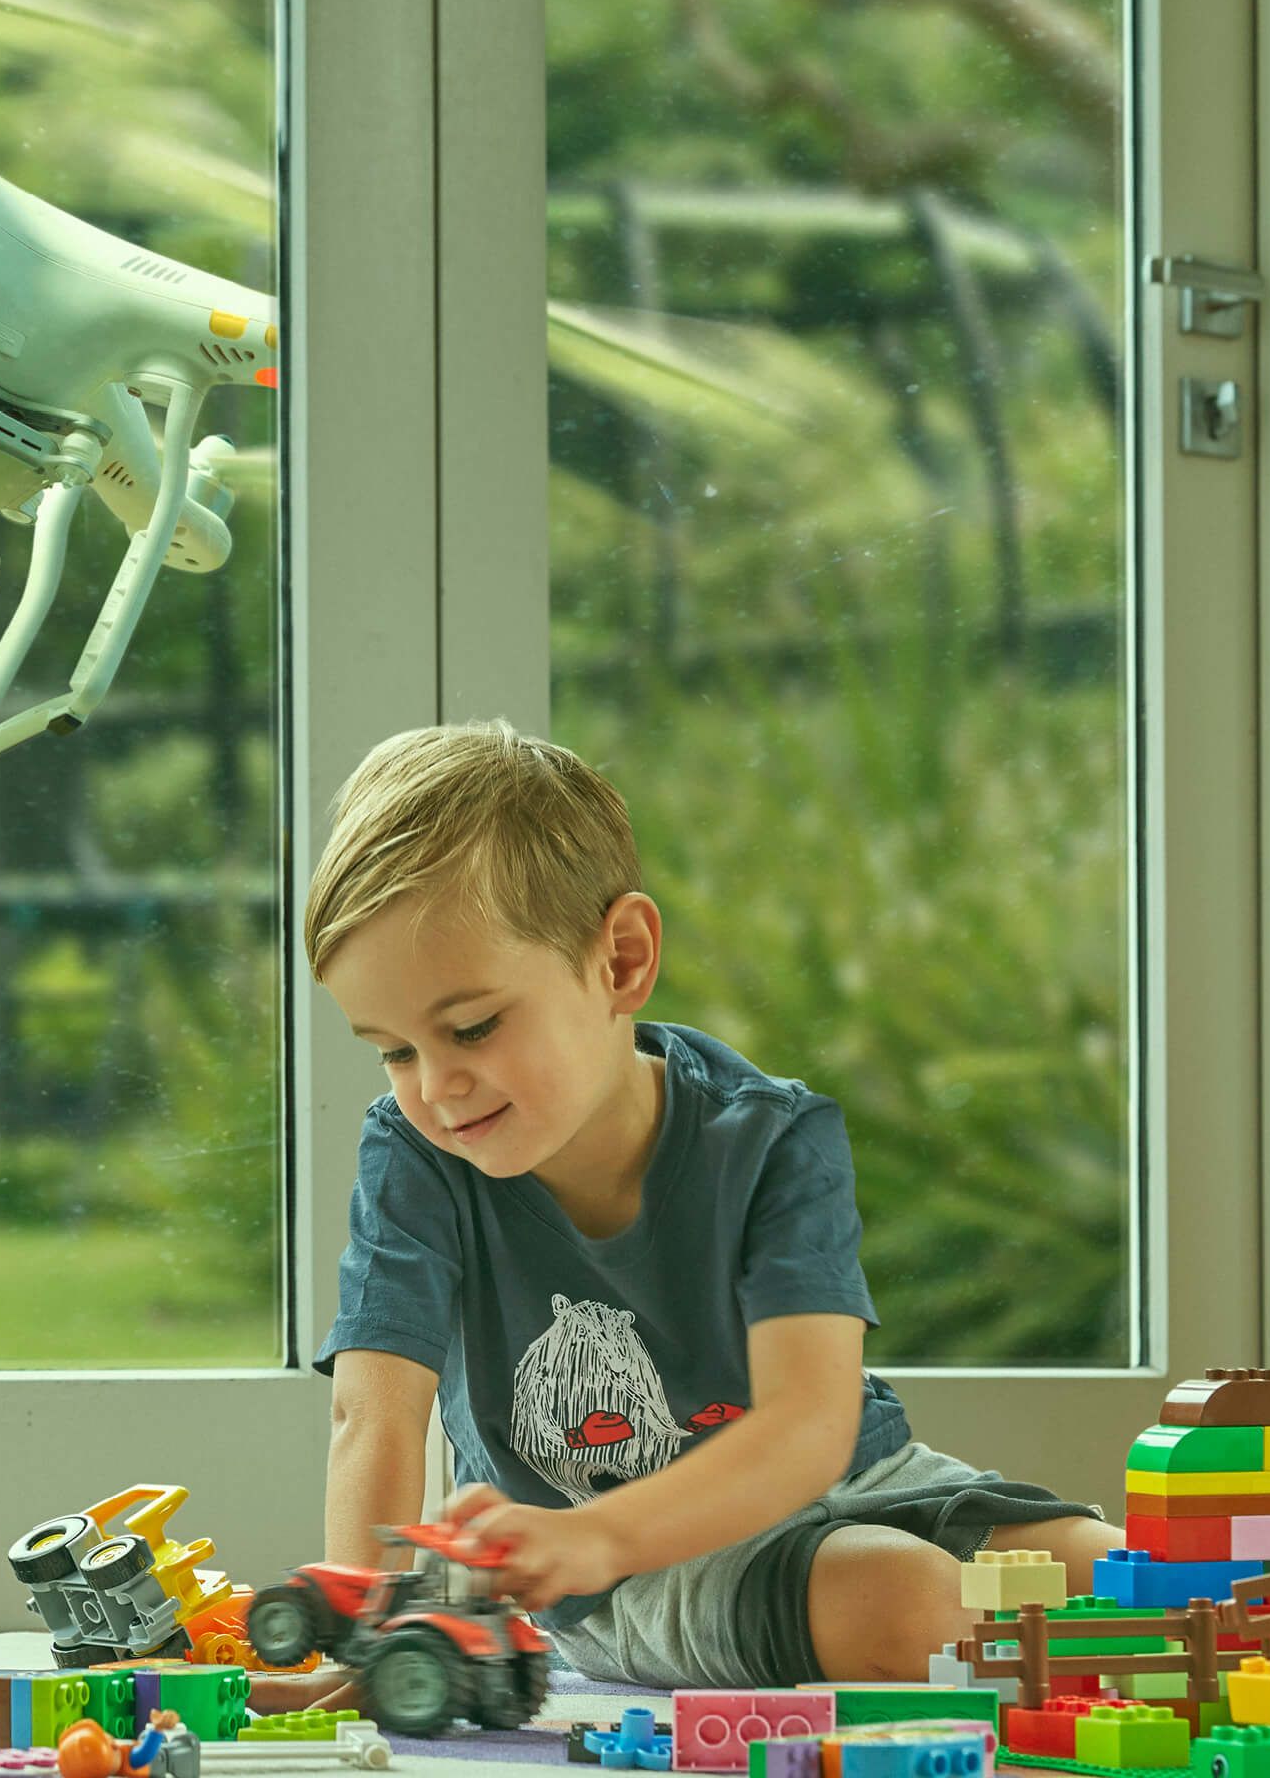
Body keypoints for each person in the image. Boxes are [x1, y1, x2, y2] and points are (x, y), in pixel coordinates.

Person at [257, 720, 1119, 1698]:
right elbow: (372, 1413)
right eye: (394, 1050)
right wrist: (366, 1645)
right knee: (909, 1606)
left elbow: (807, 1426)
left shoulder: (770, 1139)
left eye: (470, 1028)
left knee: (1132, 1581)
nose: (436, 1087)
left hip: (853, 1479)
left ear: (619, 960)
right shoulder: (415, 1156)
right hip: (615, 1568)